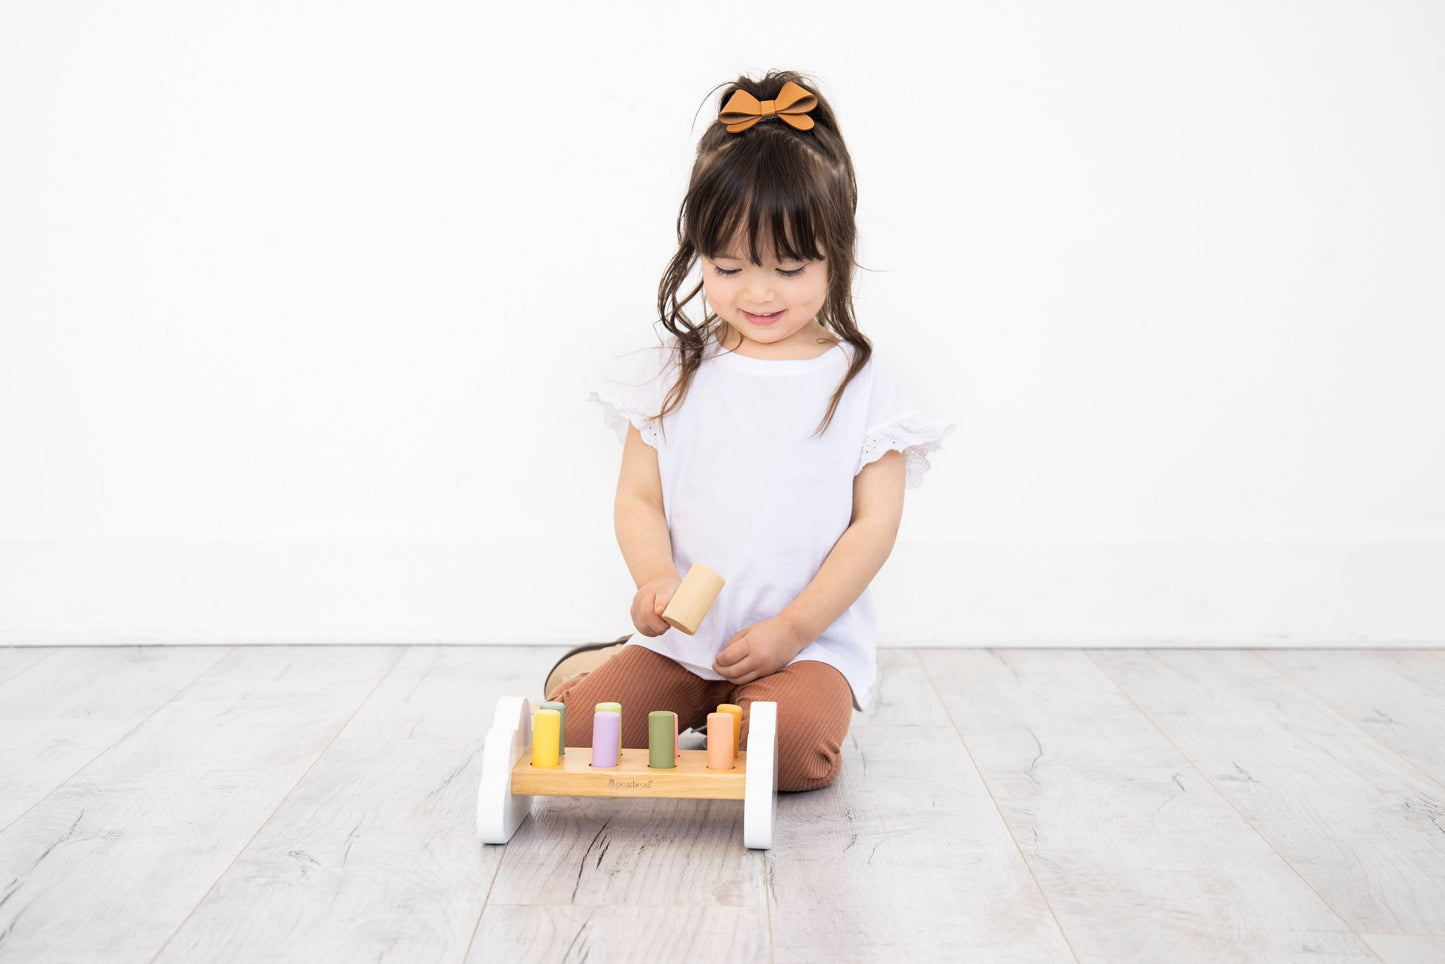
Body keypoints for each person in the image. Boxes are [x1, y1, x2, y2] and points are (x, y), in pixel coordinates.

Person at [547, 70, 954, 792]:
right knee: (585, 739)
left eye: (789, 268)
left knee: (791, 756)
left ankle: (754, 704)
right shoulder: (673, 374)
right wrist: (653, 580)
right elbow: (639, 497)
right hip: (685, 643)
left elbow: (872, 528)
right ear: (695, 250)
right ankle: (619, 670)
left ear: (836, 251)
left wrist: (793, 631)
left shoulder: (860, 385)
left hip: (805, 646)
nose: (757, 293)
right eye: (727, 266)